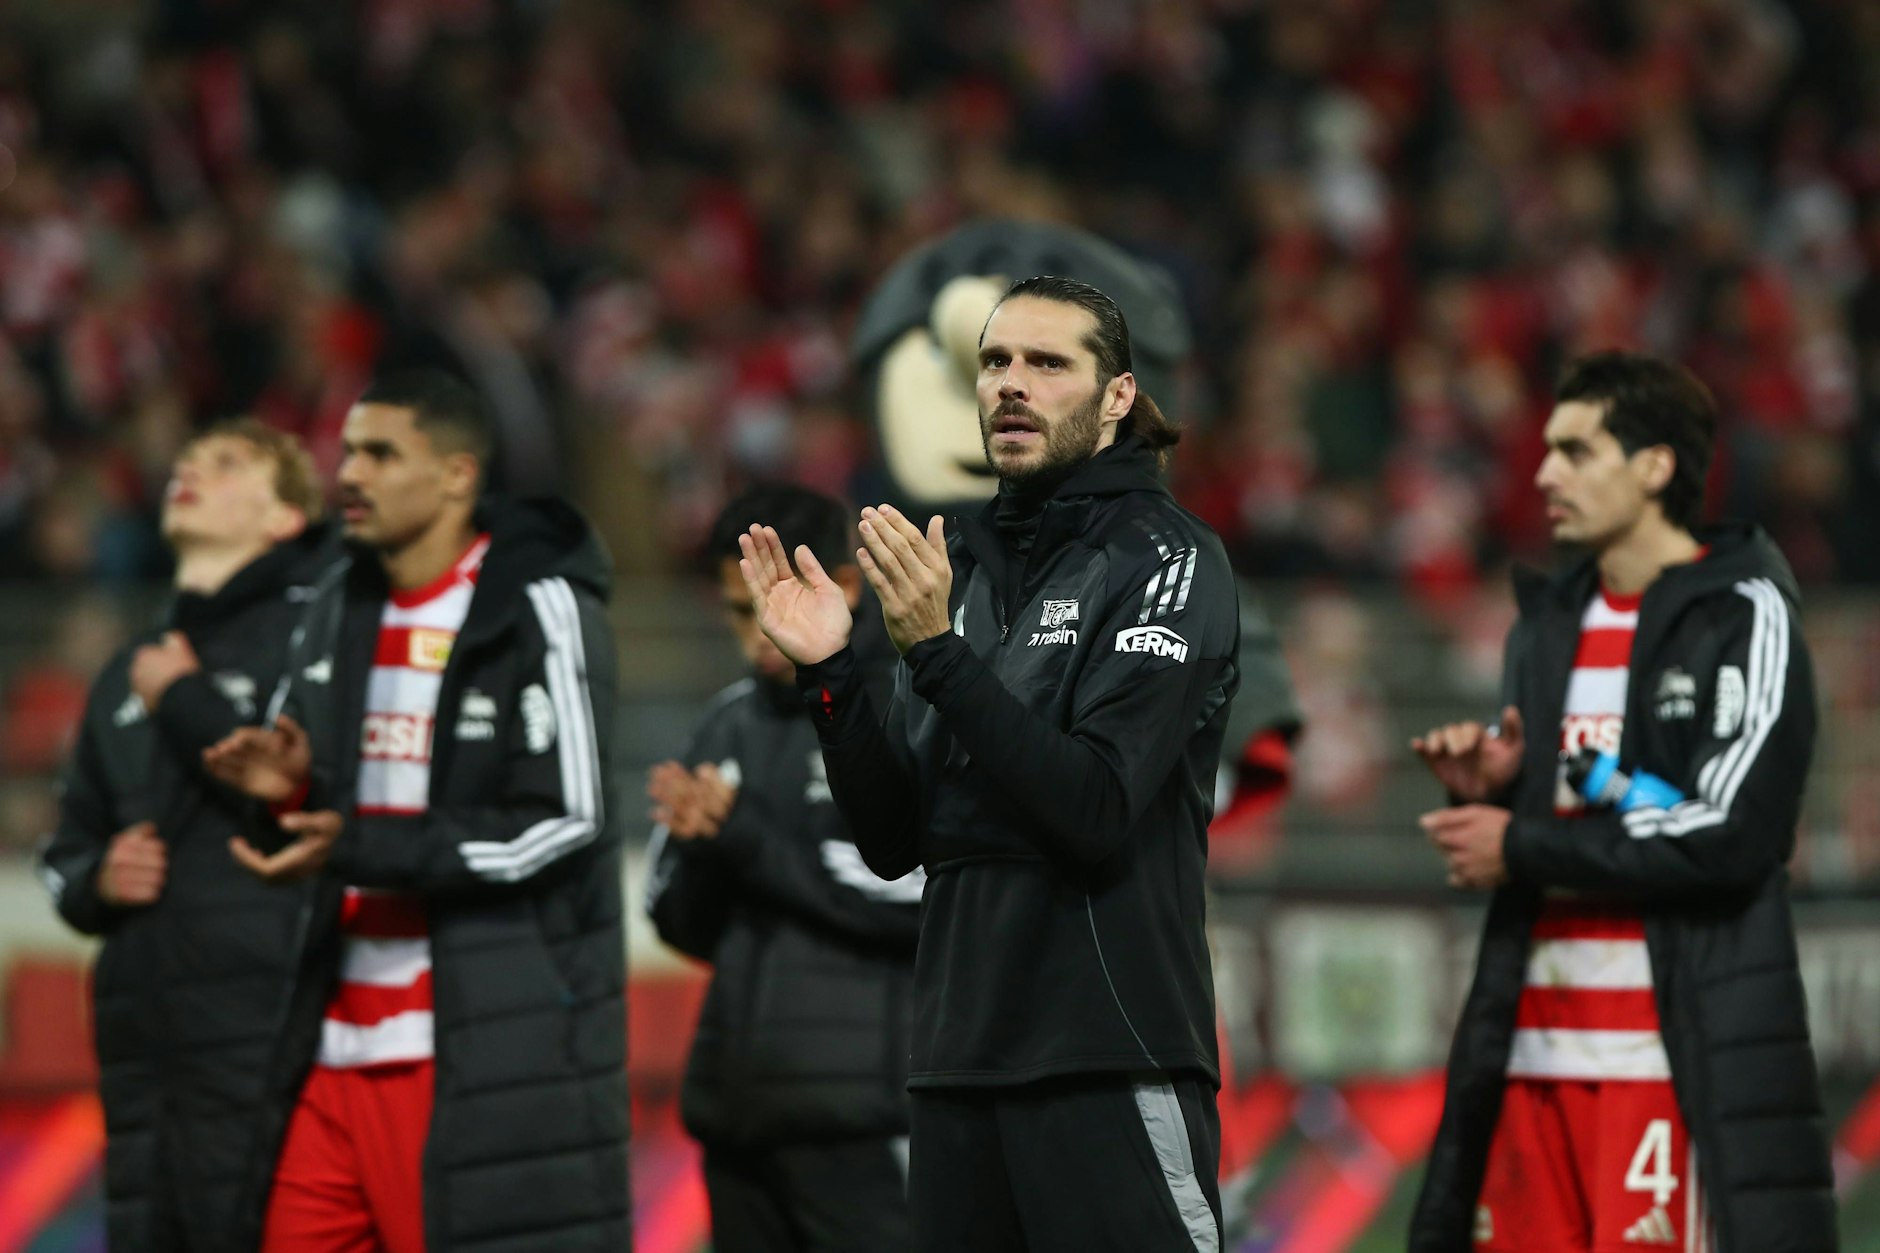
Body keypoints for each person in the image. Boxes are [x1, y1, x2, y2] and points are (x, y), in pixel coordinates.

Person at [740, 275, 1241, 1252]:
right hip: (956, 1064)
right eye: (995, 361)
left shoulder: (1168, 561)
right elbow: (895, 841)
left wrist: (935, 652)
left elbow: (1093, 805)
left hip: (1107, 1051)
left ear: (1115, 397)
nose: (1010, 383)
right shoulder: (957, 564)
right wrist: (832, 674)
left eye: (1046, 363)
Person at [1407, 352, 1835, 1253]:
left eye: (1577, 450)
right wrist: (1500, 786)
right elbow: (1570, 804)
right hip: (1529, 1054)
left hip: (1666, 1058)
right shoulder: (1547, 623)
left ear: (1654, 466)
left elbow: (1730, 835)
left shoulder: (1743, 613)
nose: (1543, 473)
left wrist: (1521, 844)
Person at [200, 369, 628, 1252]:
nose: (347, 472)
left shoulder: (537, 608)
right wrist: (282, 792)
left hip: (457, 1045)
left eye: (380, 453)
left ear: (456, 475)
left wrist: (367, 846)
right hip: (328, 1046)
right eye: (348, 450)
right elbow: (316, 818)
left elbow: (568, 818)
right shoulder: (333, 606)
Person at [37, 419, 331, 1253]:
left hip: (273, 1037)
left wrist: (186, 698)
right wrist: (98, 877)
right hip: (144, 1062)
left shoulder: (318, 636)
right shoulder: (129, 666)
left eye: (228, 463)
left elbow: (307, 789)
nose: (189, 471)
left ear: (284, 519)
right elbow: (62, 854)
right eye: (188, 459)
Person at [645, 483, 922, 1253]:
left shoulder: (904, 706)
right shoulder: (726, 719)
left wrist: (744, 836)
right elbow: (678, 922)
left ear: (850, 585)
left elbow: (917, 898)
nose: (759, 630)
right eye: (739, 611)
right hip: (737, 1113)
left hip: (865, 1119)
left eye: (777, 598)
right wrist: (702, 844)